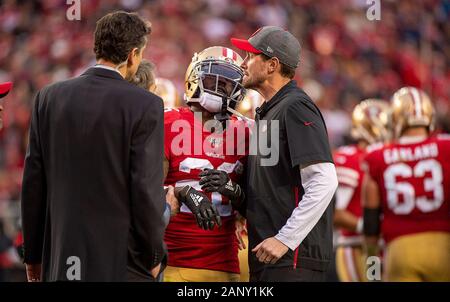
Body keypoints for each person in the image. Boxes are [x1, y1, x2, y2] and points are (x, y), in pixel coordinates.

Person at [21, 11, 167, 282]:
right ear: (134, 54)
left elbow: (33, 184)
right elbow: (145, 190)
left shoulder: (48, 98)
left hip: (60, 258)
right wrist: (155, 255)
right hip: (123, 264)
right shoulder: (146, 105)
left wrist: (32, 255)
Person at [230, 26, 338, 282]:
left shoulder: (295, 106)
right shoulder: (271, 110)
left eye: (250, 56)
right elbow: (272, 187)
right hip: (272, 258)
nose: (243, 64)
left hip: (292, 259)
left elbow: (324, 180)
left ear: (272, 65)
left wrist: (284, 239)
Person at [163, 46, 250, 282]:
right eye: (213, 78)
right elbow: (141, 190)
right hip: (173, 259)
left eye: (228, 83)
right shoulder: (167, 121)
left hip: (226, 262)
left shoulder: (247, 132)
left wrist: (233, 190)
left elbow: (258, 204)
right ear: (195, 77)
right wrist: (183, 192)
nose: (220, 87)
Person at [363, 87, 450, 281]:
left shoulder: (377, 155)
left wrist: (372, 270)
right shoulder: (446, 147)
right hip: (444, 248)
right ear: (430, 116)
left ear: (395, 119)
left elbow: (370, 223)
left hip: (400, 251)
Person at [333, 99, 391, 282]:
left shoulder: (385, 156)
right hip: (355, 245)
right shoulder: (350, 158)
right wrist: (369, 228)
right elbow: (335, 213)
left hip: (382, 246)